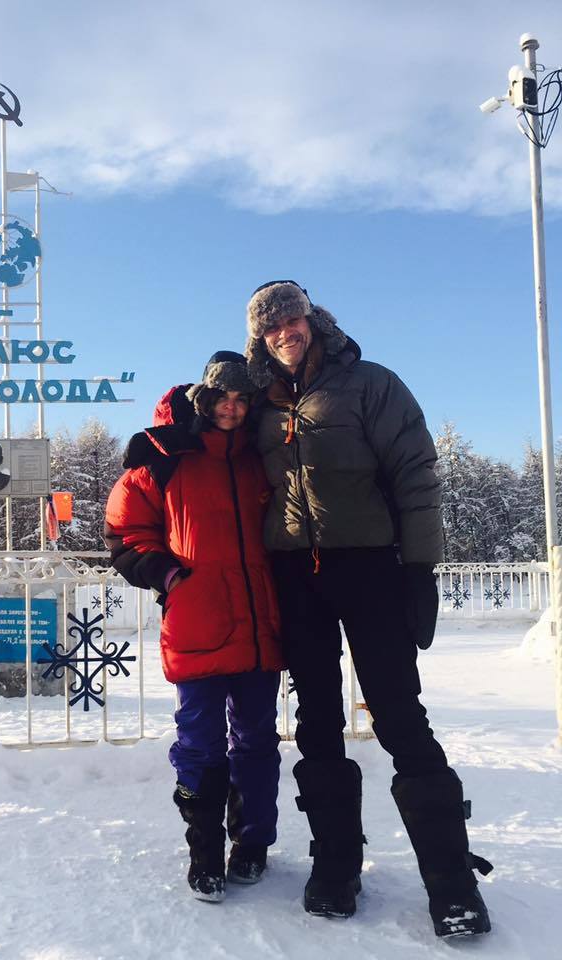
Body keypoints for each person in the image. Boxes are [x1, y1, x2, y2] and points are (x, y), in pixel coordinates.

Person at [243, 280, 492, 937]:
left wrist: (419, 568)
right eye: (271, 328)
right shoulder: (260, 402)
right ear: (260, 339)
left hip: (370, 569)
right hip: (296, 576)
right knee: (318, 720)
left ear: (312, 322)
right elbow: (210, 433)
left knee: (399, 713)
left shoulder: (370, 384)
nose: (284, 333)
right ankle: (336, 864)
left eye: (292, 321)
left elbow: (415, 473)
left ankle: (451, 880)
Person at [104, 353, 285, 902]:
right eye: (222, 398)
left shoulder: (261, 457)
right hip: (197, 622)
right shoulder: (165, 457)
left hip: (260, 626)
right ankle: (204, 852)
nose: (232, 409)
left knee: (257, 742)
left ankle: (252, 843)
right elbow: (126, 529)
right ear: (203, 400)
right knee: (200, 744)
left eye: (242, 400)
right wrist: (168, 574)